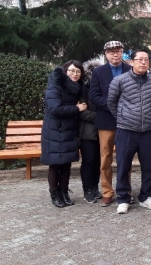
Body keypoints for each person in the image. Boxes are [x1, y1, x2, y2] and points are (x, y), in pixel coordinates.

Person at [107, 50, 151, 214]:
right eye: (139, 59)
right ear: (131, 62)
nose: (143, 63)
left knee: (149, 166)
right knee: (123, 165)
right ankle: (123, 198)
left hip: (148, 131)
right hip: (126, 131)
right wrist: (123, 117)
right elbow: (111, 102)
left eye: (146, 60)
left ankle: (146, 197)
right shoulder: (119, 81)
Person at [89, 40, 131, 207]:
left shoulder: (130, 69)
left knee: (125, 158)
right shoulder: (98, 72)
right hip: (106, 120)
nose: (115, 54)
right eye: (111, 51)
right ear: (106, 54)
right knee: (105, 158)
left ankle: (125, 191)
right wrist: (113, 104)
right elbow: (94, 96)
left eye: (118, 51)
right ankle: (107, 191)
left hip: (127, 120)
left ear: (122, 52)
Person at [41, 60, 86, 208]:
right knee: (55, 165)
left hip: (69, 132)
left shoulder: (76, 88)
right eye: (72, 71)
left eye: (78, 71)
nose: (75, 74)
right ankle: (55, 194)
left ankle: (64, 192)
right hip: (55, 131)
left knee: (66, 164)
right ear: (65, 72)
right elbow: (56, 109)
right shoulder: (55, 86)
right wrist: (76, 108)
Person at [78, 58, 101, 203]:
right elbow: (82, 111)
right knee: (88, 160)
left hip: (101, 130)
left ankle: (94, 187)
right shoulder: (83, 89)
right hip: (87, 131)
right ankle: (87, 189)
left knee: (98, 161)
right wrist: (99, 117)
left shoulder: (103, 89)